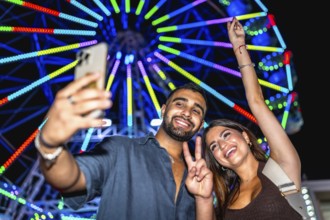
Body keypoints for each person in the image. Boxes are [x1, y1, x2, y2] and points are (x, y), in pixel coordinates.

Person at [34, 72, 214, 219]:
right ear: (164, 109)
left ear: (200, 124)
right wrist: (51, 146)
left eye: (196, 110)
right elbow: (71, 179)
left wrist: (204, 200)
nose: (187, 113)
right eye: (180, 104)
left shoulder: (201, 177)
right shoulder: (119, 150)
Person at [193, 17, 304, 220]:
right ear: (217, 161)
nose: (222, 146)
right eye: (214, 147)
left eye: (226, 135)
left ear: (245, 136)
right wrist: (203, 198)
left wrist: (239, 48)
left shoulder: (282, 169)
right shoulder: (224, 198)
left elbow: (257, 102)